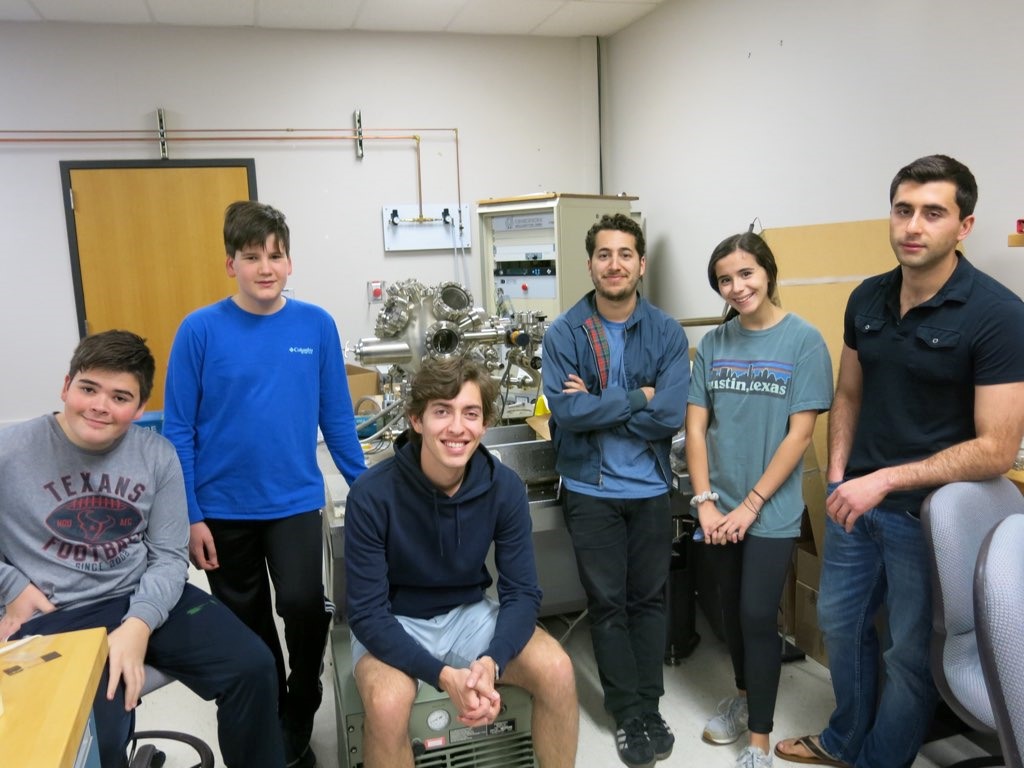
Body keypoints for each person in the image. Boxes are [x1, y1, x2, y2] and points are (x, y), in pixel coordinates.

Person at [776, 155, 1024, 768]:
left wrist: (883, 479)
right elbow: (849, 395)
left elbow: (997, 447)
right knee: (840, 626)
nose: (913, 225)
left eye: (933, 213)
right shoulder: (868, 298)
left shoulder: (998, 315)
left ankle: (878, 760)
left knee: (909, 656)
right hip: (856, 505)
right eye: (903, 210)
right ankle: (843, 738)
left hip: (930, 521)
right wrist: (839, 475)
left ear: (963, 226)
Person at [0, 330, 285, 768]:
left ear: (139, 408)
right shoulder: (11, 451)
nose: (99, 406)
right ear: (65, 386)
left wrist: (138, 624)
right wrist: (11, 585)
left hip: (143, 594)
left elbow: (170, 556)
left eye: (120, 396)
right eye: (88, 388)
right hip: (59, 612)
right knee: (91, 727)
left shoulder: (157, 456)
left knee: (253, 667)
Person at [163, 200, 367, 768]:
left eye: (275, 256)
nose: (265, 268)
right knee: (249, 625)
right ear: (231, 264)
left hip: (294, 500)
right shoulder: (199, 330)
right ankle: (277, 713)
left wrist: (370, 488)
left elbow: (338, 420)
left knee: (303, 603)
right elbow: (178, 430)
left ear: (290, 262)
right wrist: (192, 515)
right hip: (221, 510)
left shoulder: (316, 325)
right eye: (251, 257)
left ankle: (304, 693)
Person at [344, 355, 579, 768]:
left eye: (470, 413)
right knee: (386, 703)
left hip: (468, 613)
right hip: (394, 619)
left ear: (484, 424)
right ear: (416, 420)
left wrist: (492, 660)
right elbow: (366, 613)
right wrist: (442, 675)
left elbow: (522, 593)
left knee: (558, 670)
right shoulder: (371, 494)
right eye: (442, 412)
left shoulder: (503, 488)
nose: (457, 427)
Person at [542, 212, 689, 768]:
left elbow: (670, 413)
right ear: (590, 264)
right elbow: (567, 412)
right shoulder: (565, 333)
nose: (615, 264)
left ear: (641, 264)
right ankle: (627, 715)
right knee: (608, 605)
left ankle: (650, 706)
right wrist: (635, 399)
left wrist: (598, 408)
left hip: (650, 487)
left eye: (625, 254)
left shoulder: (668, 332)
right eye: (604, 254)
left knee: (648, 601)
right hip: (590, 488)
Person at [686, 232, 833, 768]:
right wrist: (705, 502)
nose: (737, 286)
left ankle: (759, 743)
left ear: (767, 271)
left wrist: (749, 505)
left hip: (768, 510)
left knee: (755, 615)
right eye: (725, 279)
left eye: (746, 273)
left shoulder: (803, 341)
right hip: (718, 508)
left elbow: (799, 436)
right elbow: (697, 429)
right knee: (730, 612)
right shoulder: (715, 345)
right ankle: (744, 700)